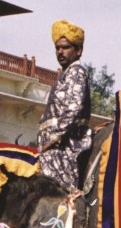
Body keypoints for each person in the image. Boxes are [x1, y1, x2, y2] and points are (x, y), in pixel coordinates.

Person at [38, 20, 92, 189]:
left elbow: (73, 109)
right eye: (57, 48)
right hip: (55, 147)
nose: (60, 52)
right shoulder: (65, 74)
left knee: (59, 198)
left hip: (66, 147)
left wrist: (53, 138)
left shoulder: (77, 72)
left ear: (78, 50)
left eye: (66, 47)